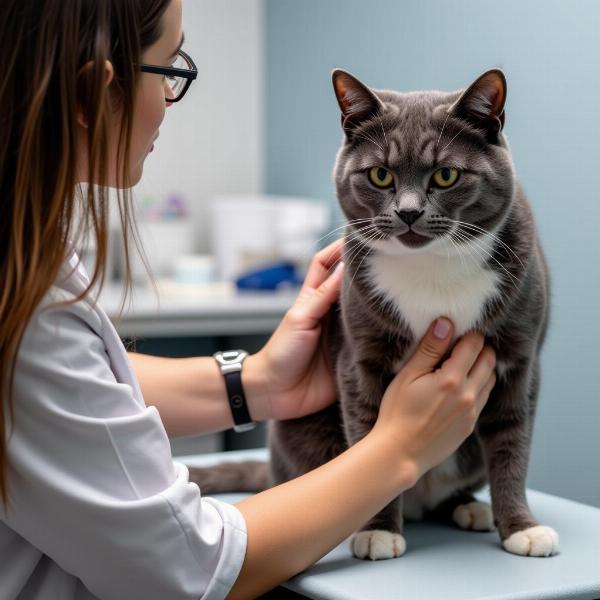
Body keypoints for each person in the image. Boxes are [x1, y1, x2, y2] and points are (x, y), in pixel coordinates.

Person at [0, 0, 497, 598]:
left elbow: (62, 388)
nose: (170, 101)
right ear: (96, 90)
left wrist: (259, 382)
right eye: (172, 69)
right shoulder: (26, 295)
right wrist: (400, 447)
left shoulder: (28, 245)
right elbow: (187, 568)